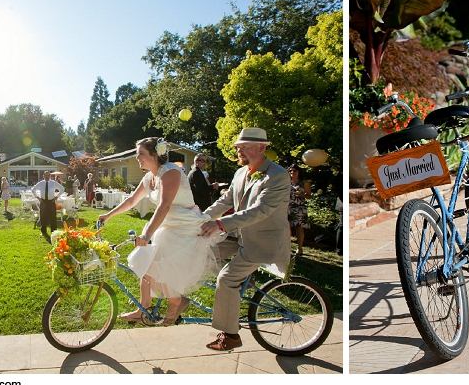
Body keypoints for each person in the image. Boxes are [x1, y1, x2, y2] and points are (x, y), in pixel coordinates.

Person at [98, 137, 218, 326]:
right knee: (146, 265)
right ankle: (142, 309)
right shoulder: (149, 177)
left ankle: (176, 305)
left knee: (165, 270)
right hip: (167, 226)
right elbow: (131, 201)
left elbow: (164, 206)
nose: (138, 158)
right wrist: (108, 215)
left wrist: (146, 235)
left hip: (184, 228)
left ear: (155, 155)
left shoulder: (171, 172)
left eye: (141, 155)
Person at [200, 128, 290, 350]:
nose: (239, 149)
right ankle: (238, 286)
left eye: (245, 145)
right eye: (239, 146)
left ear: (262, 148)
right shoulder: (240, 173)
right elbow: (225, 200)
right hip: (239, 236)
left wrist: (220, 223)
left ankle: (231, 336)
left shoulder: (277, 175)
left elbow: (261, 210)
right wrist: (200, 218)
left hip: (262, 243)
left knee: (226, 279)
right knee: (200, 249)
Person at [31, 172, 64, 243]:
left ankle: (54, 231)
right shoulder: (41, 183)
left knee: (53, 216)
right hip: (43, 201)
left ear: (50, 176)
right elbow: (33, 189)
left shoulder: (53, 183)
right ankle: (43, 231)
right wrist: (38, 197)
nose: (47, 176)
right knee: (43, 217)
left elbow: (62, 189)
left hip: (51, 201)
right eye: (45, 175)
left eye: (48, 175)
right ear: (43, 176)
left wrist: (56, 197)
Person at [288, 165, 312, 255]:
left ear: (299, 172)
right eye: (290, 171)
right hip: (287, 207)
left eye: (294, 171)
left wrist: (302, 195)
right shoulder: (286, 182)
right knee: (286, 227)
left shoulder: (304, 183)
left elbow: (309, 196)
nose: (292, 173)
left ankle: (300, 248)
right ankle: (287, 247)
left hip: (299, 207)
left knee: (299, 227)